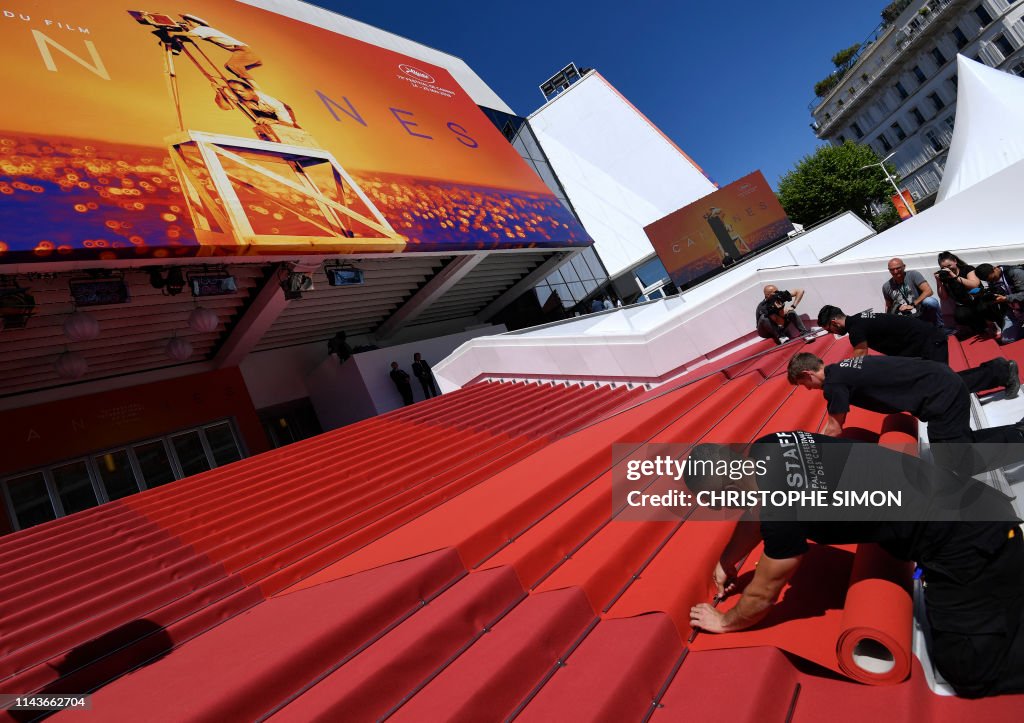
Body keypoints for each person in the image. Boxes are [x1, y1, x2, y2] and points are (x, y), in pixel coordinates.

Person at [684, 432, 1024, 699]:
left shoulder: (780, 508)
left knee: (967, 671)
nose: (718, 510)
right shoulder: (769, 446)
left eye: (714, 502)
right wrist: (728, 559)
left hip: (969, 543)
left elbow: (762, 595)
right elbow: (756, 510)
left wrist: (726, 622)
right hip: (971, 505)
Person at [787, 352, 1023, 475]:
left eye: (803, 384)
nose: (808, 389)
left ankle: (1019, 436)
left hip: (940, 395)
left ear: (808, 374)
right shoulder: (843, 367)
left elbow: (834, 427)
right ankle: (1017, 432)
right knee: (958, 446)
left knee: (957, 461)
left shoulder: (833, 384)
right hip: (938, 380)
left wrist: (811, 456)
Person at [817, 305, 1018, 395]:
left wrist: (840, 375)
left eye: (830, 329)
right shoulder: (861, 319)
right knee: (940, 383)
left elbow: (860, 357)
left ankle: (1001, 371)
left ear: (834, 322)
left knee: (944, 385)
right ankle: (998, 370)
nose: (834, 333)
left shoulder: (855, 328)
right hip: (926, 342)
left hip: (928, 342)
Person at [934, 251, 1001, 337]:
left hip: (978, 298)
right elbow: (943, 297)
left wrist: (955, 277)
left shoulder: (967, 269)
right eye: (943, 267)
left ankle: (992, 323)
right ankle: (980, 327)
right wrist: (938, 281)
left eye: (949, 266)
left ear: (955, 261)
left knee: (983, 307)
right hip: (964, 304)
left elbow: (974, 285)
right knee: (960, 316)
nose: (948, 269)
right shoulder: (944, 276)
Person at [180, 14, 262, 83]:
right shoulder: (204, 30)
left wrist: (172, 33)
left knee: (232, 65)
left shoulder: (202, 29)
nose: (189, 24)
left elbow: (192, 35)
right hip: (241, 49)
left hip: (241, 49)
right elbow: (190, 34)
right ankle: (250, 84)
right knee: (229, 66)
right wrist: (184, 30)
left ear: (196, 22)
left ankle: (255, 88)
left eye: (189, 22)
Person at [882, 257, 944, 330]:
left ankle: (940, 328)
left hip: (921, 311)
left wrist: (912, 305)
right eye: (892, 269)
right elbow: (888, 306)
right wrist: (886, 320)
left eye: (898, 268)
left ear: (904, 267)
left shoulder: (913, 275)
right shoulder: (886, 286)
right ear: (889, 270)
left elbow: (929, 291)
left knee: (930, 301)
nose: (895, 271)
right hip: (905, 317)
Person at [975, 263, 1024, 344]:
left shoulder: (1016, 272)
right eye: (990, 280)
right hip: (1013, 309)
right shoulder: (992, 280)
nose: (994, 281)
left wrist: (1006, 298)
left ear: (995, 268)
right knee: (1007, 340)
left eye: (994, 278)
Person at [215, 79, 298, 127]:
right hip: (265, 115)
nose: (239, 93)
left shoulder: (273, 102)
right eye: (235, 92)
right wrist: (219, 92)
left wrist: (275, 122)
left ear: (251, 91)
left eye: (241, 91)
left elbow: (288, 124)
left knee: (294, 129)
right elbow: (226, 107)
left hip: (283, 114)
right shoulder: (239, 97)